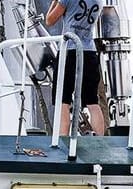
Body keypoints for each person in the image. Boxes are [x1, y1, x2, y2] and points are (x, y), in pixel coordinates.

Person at [46, 0, 107, 137]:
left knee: (63, 99)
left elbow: (49, 20)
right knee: (92, 101)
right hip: (90, 52)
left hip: (69, 51)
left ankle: (63, 138)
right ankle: (100, 142)